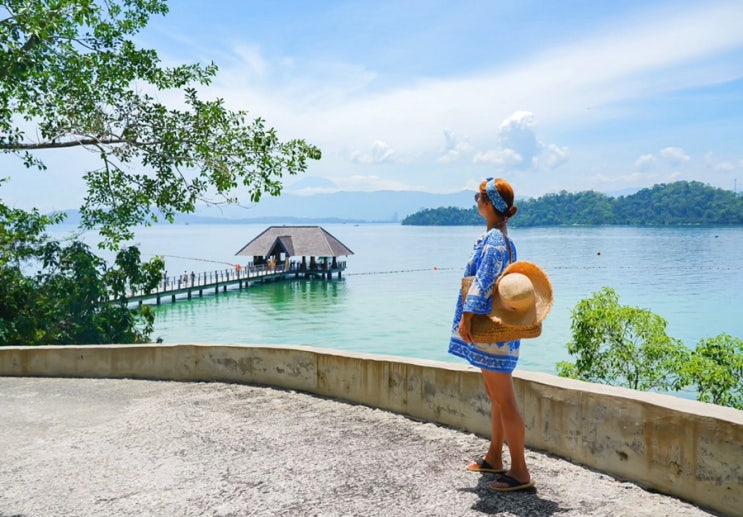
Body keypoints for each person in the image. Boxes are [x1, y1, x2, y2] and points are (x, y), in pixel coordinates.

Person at [448, 177, 534, 492]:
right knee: (496, 397)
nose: (476, 202)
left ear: (488, 205)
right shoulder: (502, 239)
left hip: (492, 331)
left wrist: (467, 317)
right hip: (499, 333)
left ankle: (521, 471)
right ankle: (495, 456)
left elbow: (484, 281)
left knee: (505, 399)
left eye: (478, 197)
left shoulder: (495, 241)